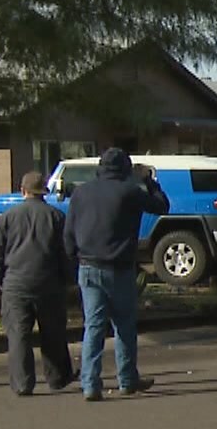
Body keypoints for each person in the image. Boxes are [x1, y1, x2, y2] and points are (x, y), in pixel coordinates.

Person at [64, 149, 169, 401]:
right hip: (119, 267)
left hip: (88, 266)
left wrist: (72, 259)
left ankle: (90, 383)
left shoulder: (81, 192)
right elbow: (161, 205)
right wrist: (148, 180)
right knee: (123, 325)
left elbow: (68, 233)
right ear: (125, 168)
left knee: (94, 326)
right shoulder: (129, 192)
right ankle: (127, 379)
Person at [0, 170, 75, 396]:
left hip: (16, 283)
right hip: (48, 282)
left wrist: (1, 281)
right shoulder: (56, 216)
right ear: (44, 192)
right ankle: (58, 378)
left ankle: (23, 383)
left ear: (23, 190)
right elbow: (66, 253)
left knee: (18, 335)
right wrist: (67, 279)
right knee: (53, 332)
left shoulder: (9, 216)